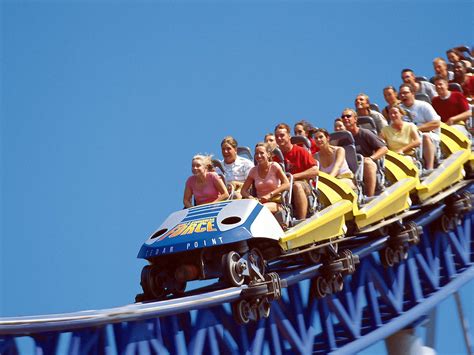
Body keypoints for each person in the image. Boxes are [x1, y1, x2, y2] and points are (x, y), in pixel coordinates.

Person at [273, 123, 319, 220]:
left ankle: (301, 220)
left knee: (296, 185)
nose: (279, 138)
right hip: (284, 187)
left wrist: (294, 177)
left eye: (282, 135)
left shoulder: (300, 151)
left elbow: (315, 171)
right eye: (277, 136)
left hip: (304, 184)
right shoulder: (275, 158)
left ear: (289, 136)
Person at [341, 108, 388, 197]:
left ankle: (370, 197)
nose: (345, 118)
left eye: (348, 116)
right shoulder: (342, 140)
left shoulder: (365, 133)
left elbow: (384, 148)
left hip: (368, 165)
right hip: (352, 170)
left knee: (367, 163)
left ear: (355, 119)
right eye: (343, 117)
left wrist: (371, 158)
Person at [399, 83, 441, 170]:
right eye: (401, 94)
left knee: (425, 137)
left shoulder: (423, 105)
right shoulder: (398, 110)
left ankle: (430, 168)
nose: (403, 96)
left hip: (427, 134)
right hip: (407, 138)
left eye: (405, 93)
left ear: (413, 93)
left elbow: (436, 123)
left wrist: (416, 129)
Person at [241, 143, 290, 214]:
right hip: (259, 203)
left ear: (268, 154)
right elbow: (243, 191)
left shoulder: (274, 166)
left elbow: (287, 184)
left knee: (261, 209)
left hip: (276, 202)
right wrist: (251, 198)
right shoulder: (253, 171)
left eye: (261, 153)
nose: (259, 156)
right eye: (256, 153)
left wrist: (270, 195)